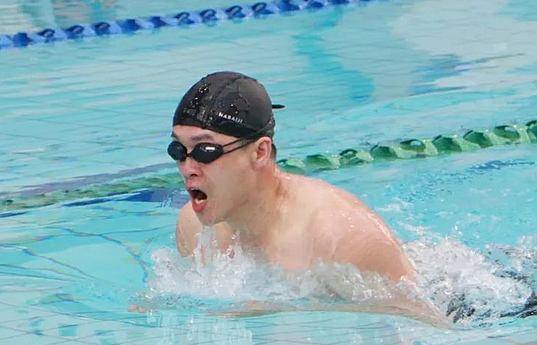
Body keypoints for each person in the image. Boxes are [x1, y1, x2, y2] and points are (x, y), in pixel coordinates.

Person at [170, 71, 446, 326]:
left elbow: (426, 322)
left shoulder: (341, 236)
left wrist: (287, 309)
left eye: (205, 150)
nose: (187, 167)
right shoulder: (193, 228)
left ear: (259, 153)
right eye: (178, 150)